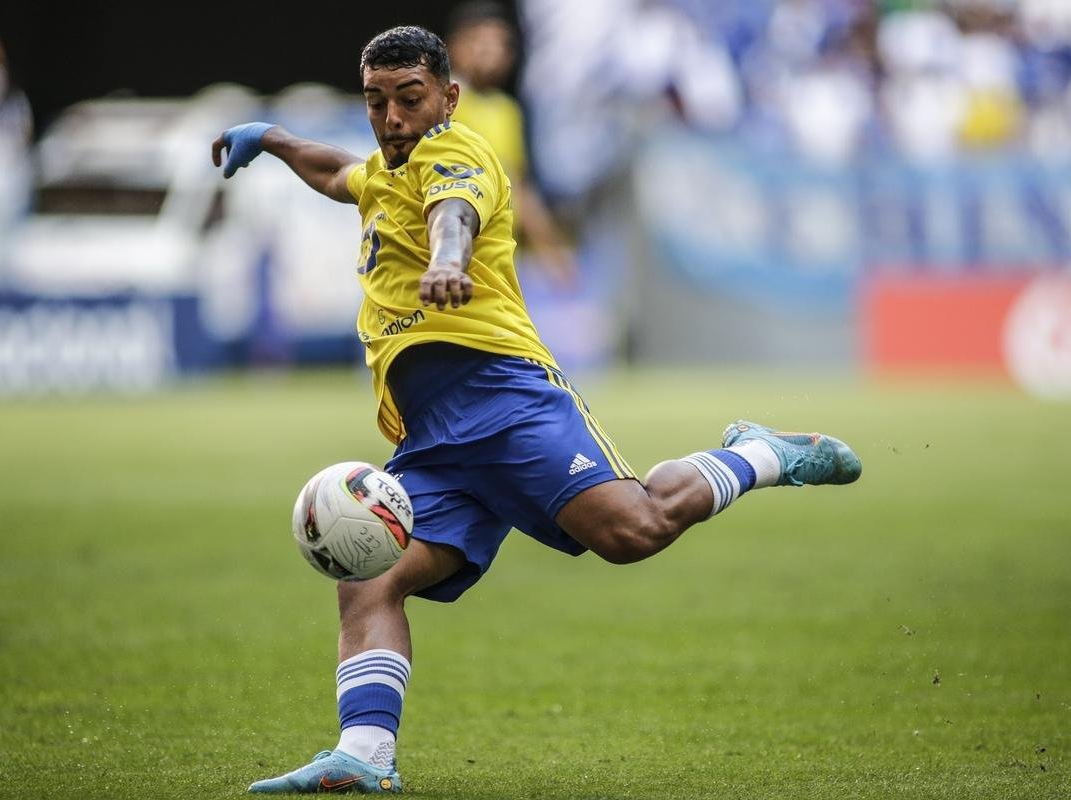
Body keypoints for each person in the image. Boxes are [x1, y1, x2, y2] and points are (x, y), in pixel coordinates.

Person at [212, 25, 862, 795]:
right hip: (434, 438)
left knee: (635, 530)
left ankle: (764, 455)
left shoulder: (456, 154)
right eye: (376, 102)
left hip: (505, 400)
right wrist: (275, 139)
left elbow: (453, 215)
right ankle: (365, 757)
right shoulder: (386, 175)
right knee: (369, 579)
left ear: (448, 98)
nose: (391, 117)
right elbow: (337, 173)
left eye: (409, 99)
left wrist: (448, 264)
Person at [444, 1, 574, 283]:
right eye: (480, 41)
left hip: (499, 265)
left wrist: (550, 251)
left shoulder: (507, 112)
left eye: (500, 44)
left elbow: (519, 186)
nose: (491, 51)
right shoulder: (442, 104)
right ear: (455, 46)